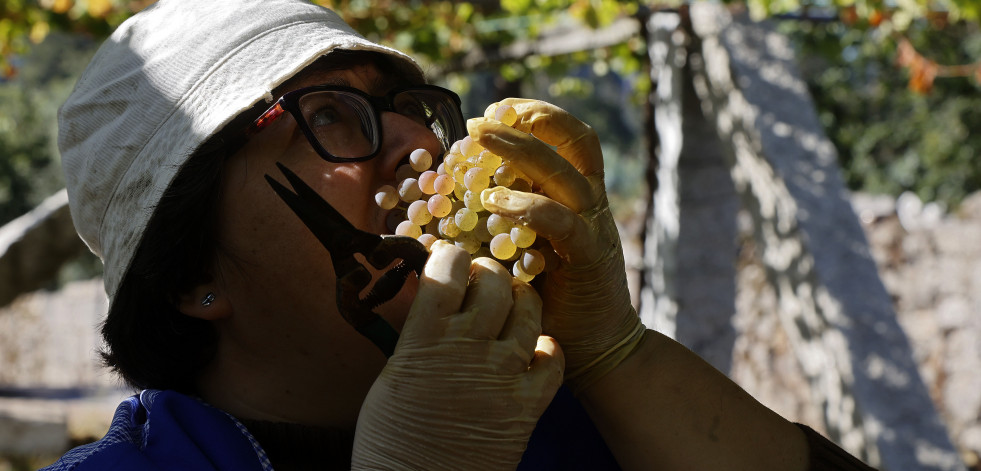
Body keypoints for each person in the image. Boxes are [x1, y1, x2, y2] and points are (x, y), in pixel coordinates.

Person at [45, 0, 877, 469]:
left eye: (413, 109)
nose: (419, 146)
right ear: (192, 275)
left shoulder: (568, 421)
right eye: (330, 116)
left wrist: (616, 353)